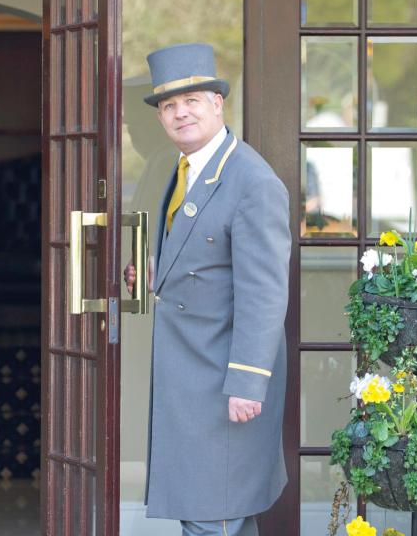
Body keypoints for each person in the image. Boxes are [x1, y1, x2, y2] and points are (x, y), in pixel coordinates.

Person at [124, 42, 291, 536]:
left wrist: (247, 381)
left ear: (218, 104)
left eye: (191, 101)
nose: (180, 114)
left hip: (222, 379)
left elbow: (265, 292)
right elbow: (203, 255)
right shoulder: (186, 169)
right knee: (214, 513)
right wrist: (158, 272)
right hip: (192, 373)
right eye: (169, 106)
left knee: (213, 514)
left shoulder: (251, 181)